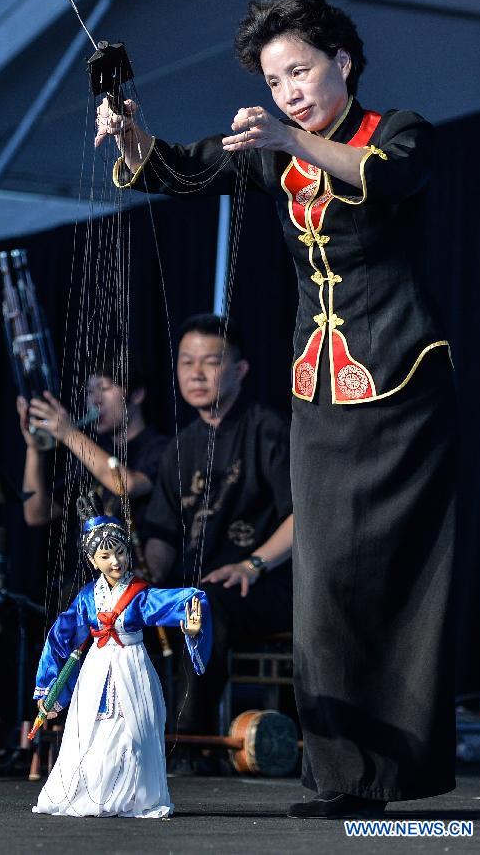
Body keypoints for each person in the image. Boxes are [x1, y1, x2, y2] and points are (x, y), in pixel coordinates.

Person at [97, 0, 456, 817]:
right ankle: (341, 776)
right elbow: (179, 169)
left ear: (342, 62)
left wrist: (288, 138)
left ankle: (396, 773)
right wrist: (129, 130)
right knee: (324, 580)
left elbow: (392, 178)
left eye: (300, 70)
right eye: (273, 78)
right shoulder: (270, 149)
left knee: (398, 580)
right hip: (319, 385)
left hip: (402, 383)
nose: (288, 89)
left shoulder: (396, 129)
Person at [145, 314, 294, 740]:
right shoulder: (180, 446)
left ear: (239, 370)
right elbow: (163, 532)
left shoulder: (267, 429)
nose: (196, 373)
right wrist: (146, 572)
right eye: (186, 361)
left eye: (210, 362)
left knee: (206, 604)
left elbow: (302, 516)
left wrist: (252, 564)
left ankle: (189, 740)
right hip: (196, 586)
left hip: (263, 584)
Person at [31, 492, 211, 819]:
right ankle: (88, 793)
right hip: (97, 667)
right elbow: (62, 635)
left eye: (120, 552)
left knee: (137, 733)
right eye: (105, 556)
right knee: (90, 733)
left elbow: (174, 602)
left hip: (133, 664)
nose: (115, 562)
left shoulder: (139, 595)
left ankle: (135, 796)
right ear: (92, 561)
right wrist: (48, 688)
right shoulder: (88, 598)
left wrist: (192, 621)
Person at [17, 358, 167, 586]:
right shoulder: (91, 454)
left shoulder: (160, 448)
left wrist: (68, 433)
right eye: (90, 391)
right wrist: (34, 449)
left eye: (105, 388)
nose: (95, 400)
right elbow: (35, 513)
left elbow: (126, 485)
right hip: (86, 589)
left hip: (132, 588)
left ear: (136, 395)